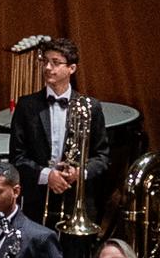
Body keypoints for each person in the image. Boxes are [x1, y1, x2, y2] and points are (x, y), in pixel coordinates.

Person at [9, 37, 105, 225]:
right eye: (45, 61)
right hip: (37, 199)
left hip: (76, 197)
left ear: (72, 68)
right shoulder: (27, 106)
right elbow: (17, 156)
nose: (47, 68)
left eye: (56, 62)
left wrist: (79, 173)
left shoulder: (90, 107)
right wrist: (47, 175)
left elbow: (102, 156)